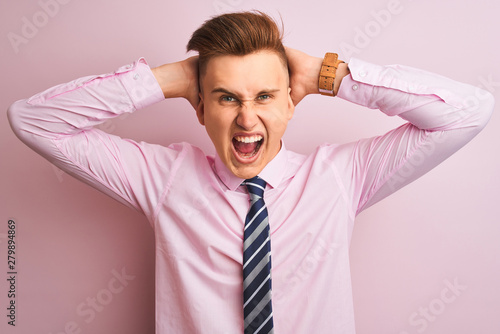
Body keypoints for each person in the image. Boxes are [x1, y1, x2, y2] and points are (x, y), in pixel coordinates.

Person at [7, 11, 494, 334]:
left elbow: (469, 111)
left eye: (264, 96)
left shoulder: (342, 179)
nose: (246, 118)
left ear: (291, 103)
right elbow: (33, 121)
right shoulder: (163, 179)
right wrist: (172, 78)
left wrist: (330, 75)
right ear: (200, 107)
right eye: (226, 97)